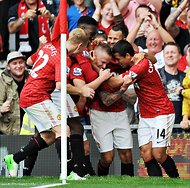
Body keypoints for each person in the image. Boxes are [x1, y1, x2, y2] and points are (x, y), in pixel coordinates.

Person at [4, 28, 94, 180]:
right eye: (82, 49)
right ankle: (68, 172)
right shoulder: (63, 58)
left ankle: (14, 159)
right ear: (79, 46)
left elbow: (30, 61)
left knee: (49, 136)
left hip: (31, 94)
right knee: (63, 130)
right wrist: (81, 91)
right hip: (36, 96)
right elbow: (60, 86)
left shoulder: (48, 46)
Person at [112, 40, 179, 178]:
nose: (118, 63)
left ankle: (176, 179)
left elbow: (118, 82)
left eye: (119, 59)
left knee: (158, 154)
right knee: (145, 152)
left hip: (161, 112)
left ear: (128, 55)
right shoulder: (138, 57)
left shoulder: (139, 66)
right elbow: (153, 59)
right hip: (145, 114)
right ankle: (156, 183)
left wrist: (100, 76)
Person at [0, 51, 28, 135]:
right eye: (14, 63)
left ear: (25, 64)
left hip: (32, 133)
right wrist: (1, 109)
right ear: (8, 67)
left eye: (21, 62)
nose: (18, 66)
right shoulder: (1, 81)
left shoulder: (33, 78)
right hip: (8, 134)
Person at [158, 42, 185, 125]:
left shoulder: (186, 77)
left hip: (181, 125)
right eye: (167, 53)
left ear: (179, 56)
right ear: (163, 56)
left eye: (173, 52)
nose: (170, 55)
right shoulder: (156, 75)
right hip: (160, 123)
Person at [177, 45, 190, 129]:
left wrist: (182, 92)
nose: (187, 57)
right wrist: (185, 117)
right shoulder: (188, 72)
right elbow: (187, 100)